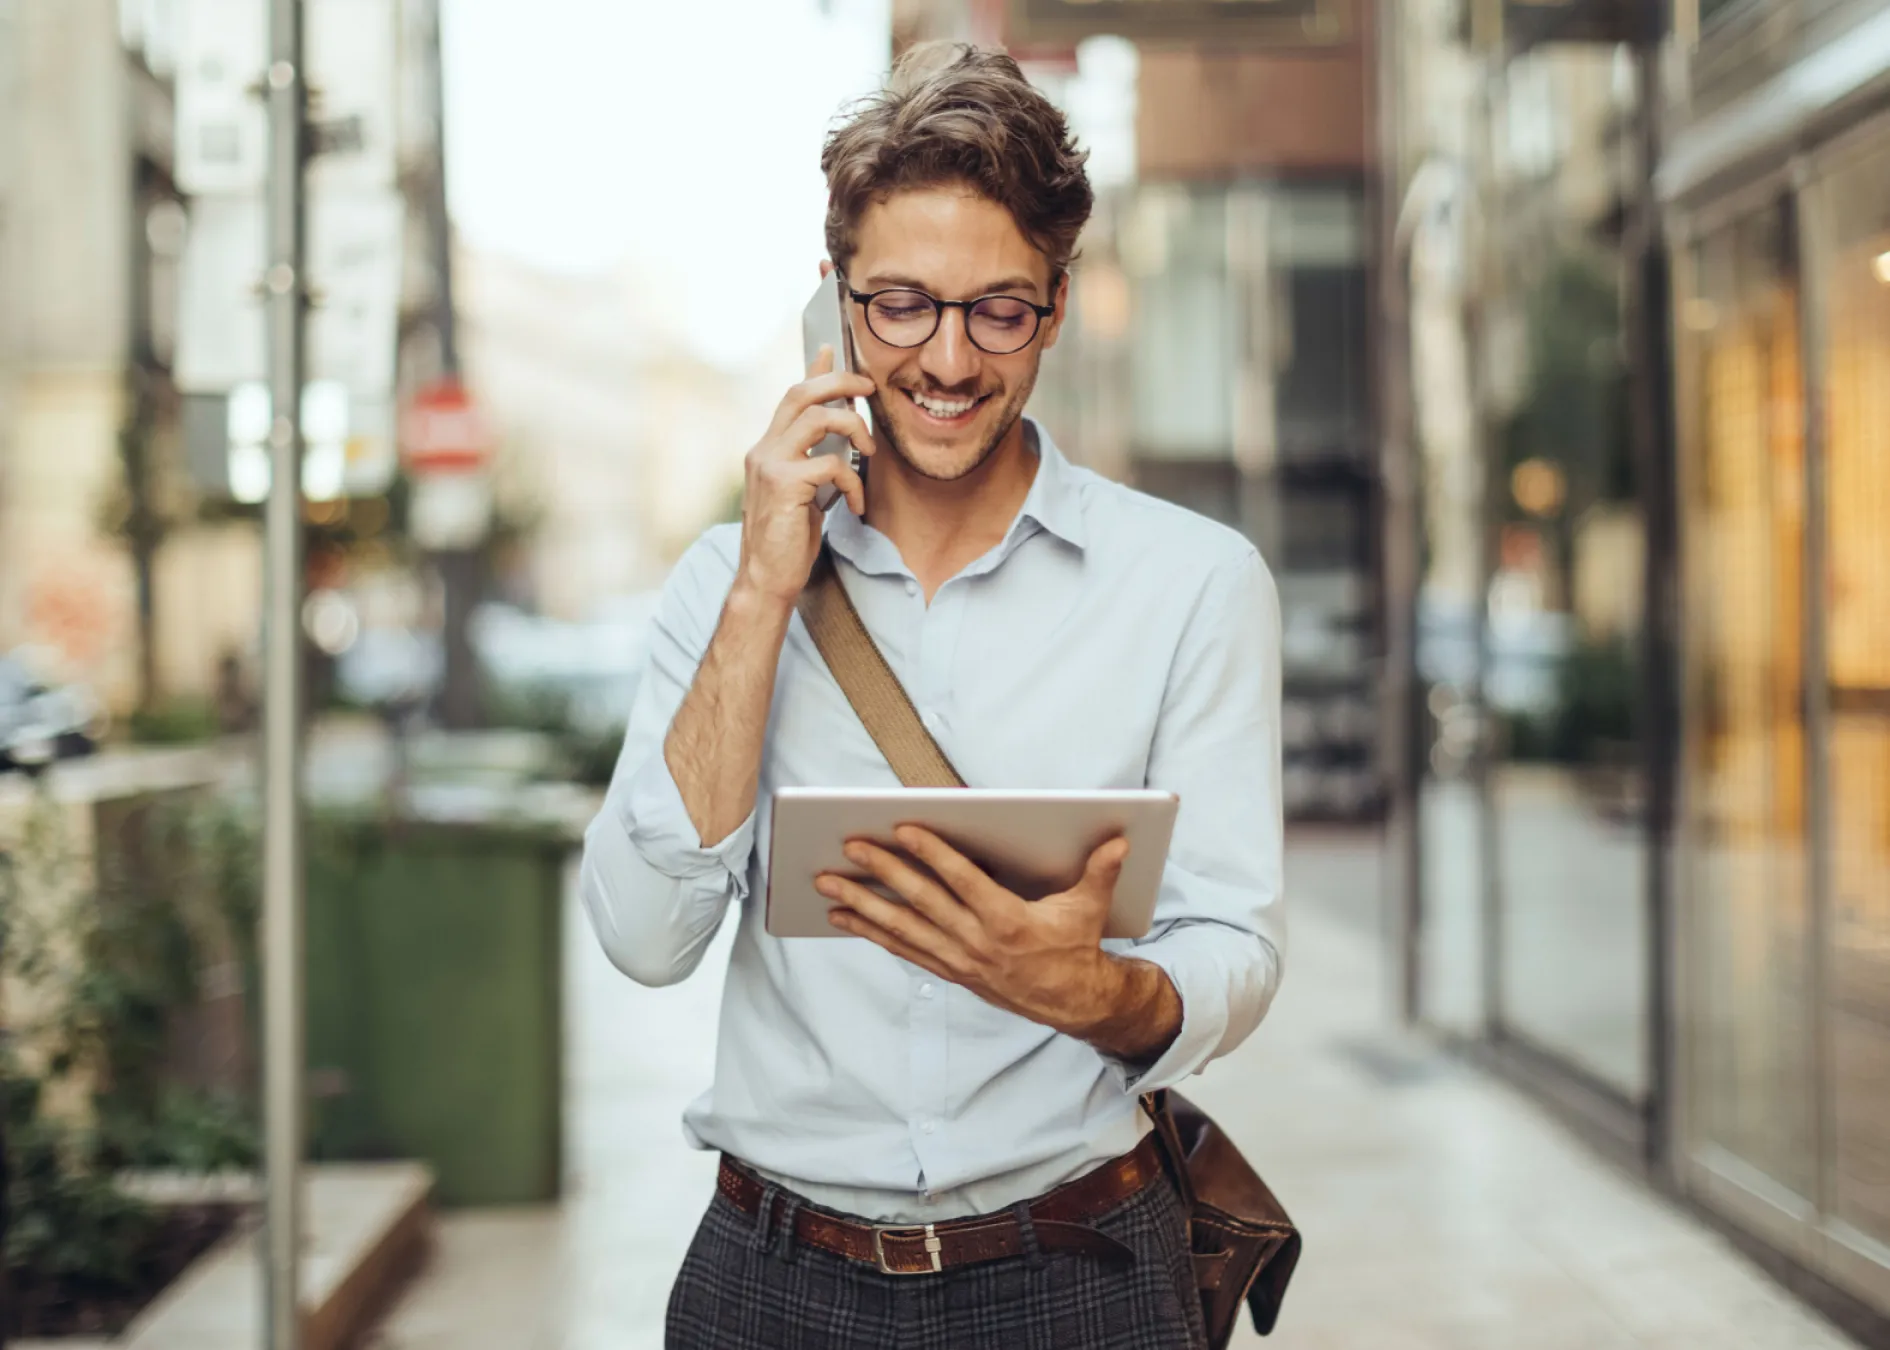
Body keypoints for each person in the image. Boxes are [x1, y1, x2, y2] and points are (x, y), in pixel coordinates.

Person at [580, 42, 1284, 1350]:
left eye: (996, 309)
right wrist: (760, 595)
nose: (947, 358)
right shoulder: (723, 586)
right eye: (899, 303)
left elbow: (1233, 943)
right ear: (832, 303)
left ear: (1058, 304)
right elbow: (641, 933)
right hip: (773, 1280)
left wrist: (1093, 992)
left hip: (1081, 1267)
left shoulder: (1193, 584)